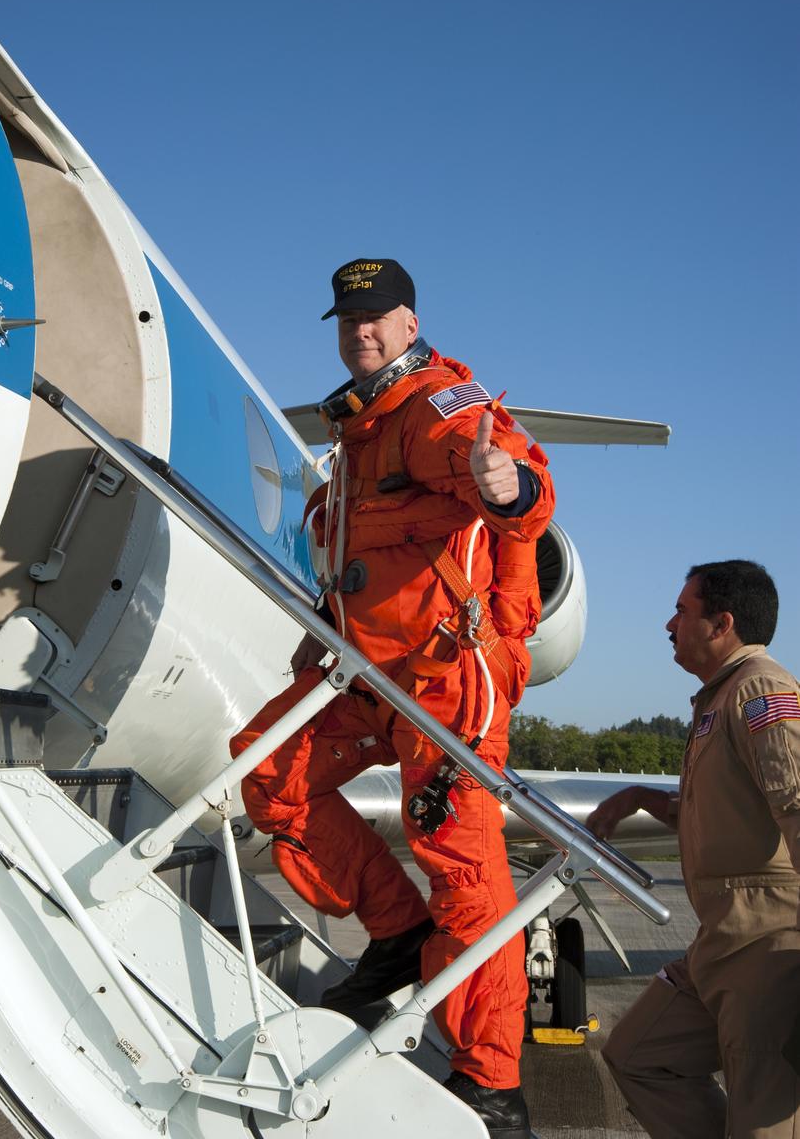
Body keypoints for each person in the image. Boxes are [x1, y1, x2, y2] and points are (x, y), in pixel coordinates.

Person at [231, 257, 555, 1139]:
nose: (359, 331)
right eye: (346, 320)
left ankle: (490, 1082)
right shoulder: (357, 434)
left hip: (447, 685)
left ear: (409, 325)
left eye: (375, 318)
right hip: (361, 674)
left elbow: (512, 479)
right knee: (268, 772)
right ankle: (397, 935)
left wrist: (507, 487)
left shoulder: (431, 411)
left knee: (463, 870)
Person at [586, 560, 800, 1139]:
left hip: (768, 940)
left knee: (764, 1116)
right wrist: (635, 795)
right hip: (720, 940)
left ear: (720, 623)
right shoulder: (720, 698)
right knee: (638, 1055)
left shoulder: (760, 690)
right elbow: (720, 808)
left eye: (682, 610)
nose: (668, 624)